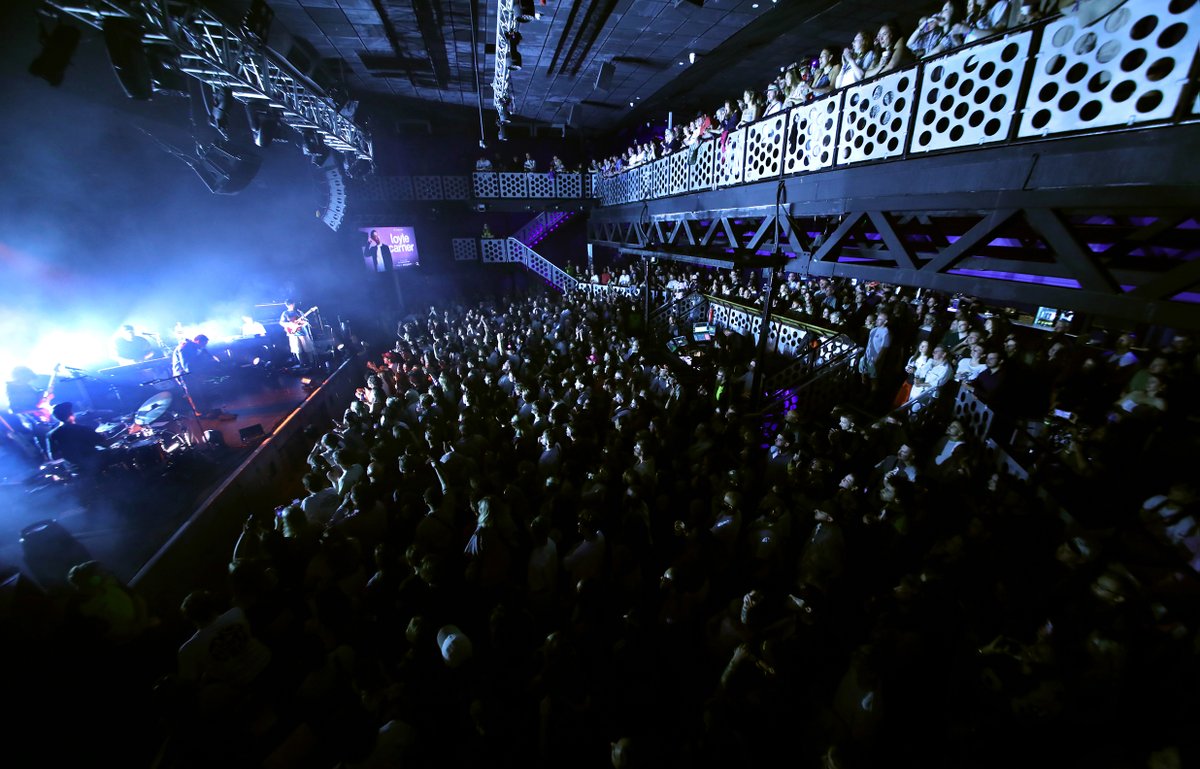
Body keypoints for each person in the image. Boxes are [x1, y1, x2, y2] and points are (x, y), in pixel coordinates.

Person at [47, 401, 107, 472]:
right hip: (96, 464)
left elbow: (54, 457)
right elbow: (104, 443)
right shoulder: (82, 429)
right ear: (71, 414)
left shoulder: (51, 434)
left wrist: (70, 455)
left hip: (73, 469)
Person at [172, 335, 221, 416]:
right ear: (197, 341)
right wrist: (197, 374)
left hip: (190, 373)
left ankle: (205, 411)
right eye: (203, 344)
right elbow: (187, 366)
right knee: (194, 393)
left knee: (199, 392)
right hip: (185, 374)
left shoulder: (194, 347)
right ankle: (201, 413)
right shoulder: (185, 347)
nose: (204, 346)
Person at [279, 299, 316, 368]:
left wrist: (302, 323)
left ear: (293, 304)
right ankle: (301, 363)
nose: (291, 305)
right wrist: (290, 324)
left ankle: (312, 362)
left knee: (307, 347)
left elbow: (306, 321)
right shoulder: (285, 313)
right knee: (297, 348)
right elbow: (281, 322)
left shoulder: (298, 312)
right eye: (289, 304)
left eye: (291, 304)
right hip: (292, 332)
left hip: (302, 331)